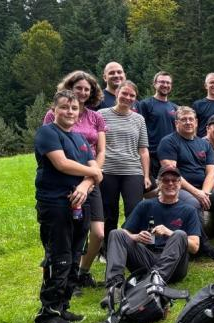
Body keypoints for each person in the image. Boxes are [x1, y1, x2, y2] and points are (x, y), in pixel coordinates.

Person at [34, 90, 102, 323]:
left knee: (74, 256)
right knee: (59, 256)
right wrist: (92, 174)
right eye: (64, 107)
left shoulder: (80, 139)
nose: (70, 112)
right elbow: (62, 164)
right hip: (55, 204)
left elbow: (95, 169)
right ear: (54, 110)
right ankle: (47, 313)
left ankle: (63, 307)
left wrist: (85, 184)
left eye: (74, 108)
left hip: (80, 204)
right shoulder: (47, 133)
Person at [42, 71, 107, 293]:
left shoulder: (90, 124)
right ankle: (53, 299)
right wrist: (93, 172)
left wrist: (88, 180)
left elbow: (99, 153)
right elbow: (59, 162)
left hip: (86, 185)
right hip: (60, 190)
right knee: (61, 243)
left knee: (89, 235)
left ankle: (75, 279)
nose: (82, 93)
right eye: (78, 88)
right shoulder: (50, 127)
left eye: (86, 89)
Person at [157, 106, 214, 260]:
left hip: (204, 187)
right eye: (183, 119)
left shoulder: (204, 144)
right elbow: (173, 174)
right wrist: (197, 193)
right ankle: (203, 246)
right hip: (178, 187)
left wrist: (204, 192)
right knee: (193, 203)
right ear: (176, 123)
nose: (188, 122)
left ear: (196, 122)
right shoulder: (168, 142)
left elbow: (211, 172)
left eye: (191, 119)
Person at [104, 166, 200, 291]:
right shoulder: (145, 205)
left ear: (180, 183)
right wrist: (136, 237)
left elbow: (195, 247)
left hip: (175, 266)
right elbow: (125, 233)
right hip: (147, 258)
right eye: (165, 180)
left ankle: (156, 280)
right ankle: (115, 286)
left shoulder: (189, 210)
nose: (170, 183)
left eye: (174, 180)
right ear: (158, 183)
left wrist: (170, 233)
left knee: (179, 234)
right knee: (116, 233)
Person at [99, 80, 150, 249]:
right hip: (108, 170)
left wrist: (147, 175)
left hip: (132, 171)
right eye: (124, 93)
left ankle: (132, 245)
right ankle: (107, 248)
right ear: (117, 94)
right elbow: (97, 146)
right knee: (109, 212)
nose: (127, 97)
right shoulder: (101, 115)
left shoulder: (139, 119)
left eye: (132, 95)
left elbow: (143, 150)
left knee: (134, 211)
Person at [136, 71, 178, 180]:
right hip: (152, 155)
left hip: (171, 154)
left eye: (168, 83)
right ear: (155, 84)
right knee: (151, 189)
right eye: (162, 82)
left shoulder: (175, 108)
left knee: (171, 186)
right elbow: (139, 129)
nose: (165, 85)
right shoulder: (145, 104)